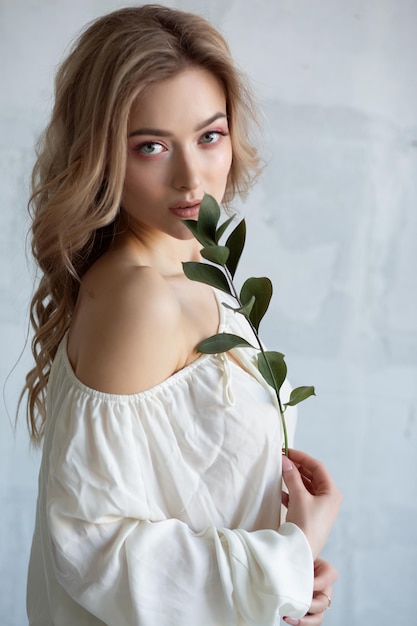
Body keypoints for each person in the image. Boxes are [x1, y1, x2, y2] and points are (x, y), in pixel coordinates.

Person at [23, 5, 342, 626]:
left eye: (209, 136)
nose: (191, 177)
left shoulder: (193, 261)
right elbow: (92, 545)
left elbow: (196, 484)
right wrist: (287, 554)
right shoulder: (139, 296)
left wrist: (285, 582)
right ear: (101, 152)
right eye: (151, 146)